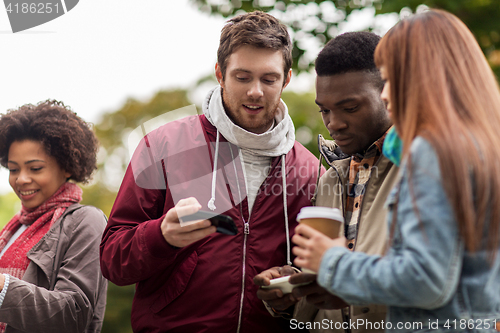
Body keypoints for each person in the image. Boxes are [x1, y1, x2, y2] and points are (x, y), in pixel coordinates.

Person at [99, 11, 321, 333]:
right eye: (242, 77)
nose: (255, 91)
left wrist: (293, 284)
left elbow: (314, 270)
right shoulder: (162, 146)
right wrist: (161, 236)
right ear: (220, 73)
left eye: (268, 79)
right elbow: (111, 258)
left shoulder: (309, 169)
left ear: (286, 79)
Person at [293, 9, 500, 333]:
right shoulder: (481, 145)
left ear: (423, 77)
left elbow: (427, 280)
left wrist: (334, 261)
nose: (387, 94)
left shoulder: (432, 150)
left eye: (390, 80)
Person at [254, 32, 398, 332]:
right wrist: (292, 290)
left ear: (389, 93)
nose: (333, 123)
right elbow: (328, 293)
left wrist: (348, 283)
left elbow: (441, 280)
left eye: (350, 108)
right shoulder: (329, 180)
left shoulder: (425, 168)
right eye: (325, 110)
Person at [0, 100, 108, 333]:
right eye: (13, 169)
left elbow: (74, 313)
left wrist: (3, 288)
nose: (21, 179)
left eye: (35, 168)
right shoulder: (14, 228)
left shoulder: (86, 221)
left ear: (67, 166)